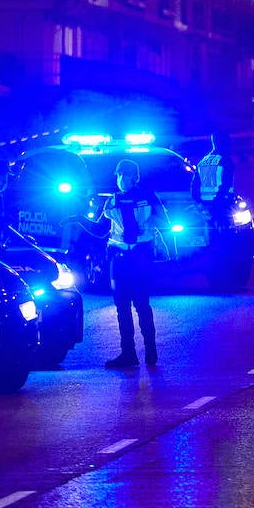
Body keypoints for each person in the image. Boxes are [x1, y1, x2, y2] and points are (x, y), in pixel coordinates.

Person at [97, 158, 170, 368]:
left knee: (141, 304)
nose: (120, 179)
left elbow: (164, 222)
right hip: (119, 258)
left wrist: (145, 226)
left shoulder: (147, 197)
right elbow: (101, 228)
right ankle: (128, 353)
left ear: (135, 178)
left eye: (124, 175)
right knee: (121, 306)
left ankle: (151, 352)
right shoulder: (112, 200)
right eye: (118, 175)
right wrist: (78, 219)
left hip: (139, 256)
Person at [191, 130, 236, 221]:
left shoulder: (202, 162)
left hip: (205, 206)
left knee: (208, 232)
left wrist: (199, 203)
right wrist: (218, 201)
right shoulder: (225, 161)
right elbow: (226, 184)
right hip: (222, 205)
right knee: (225, 232)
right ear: (224, 142)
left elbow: (194, 186)